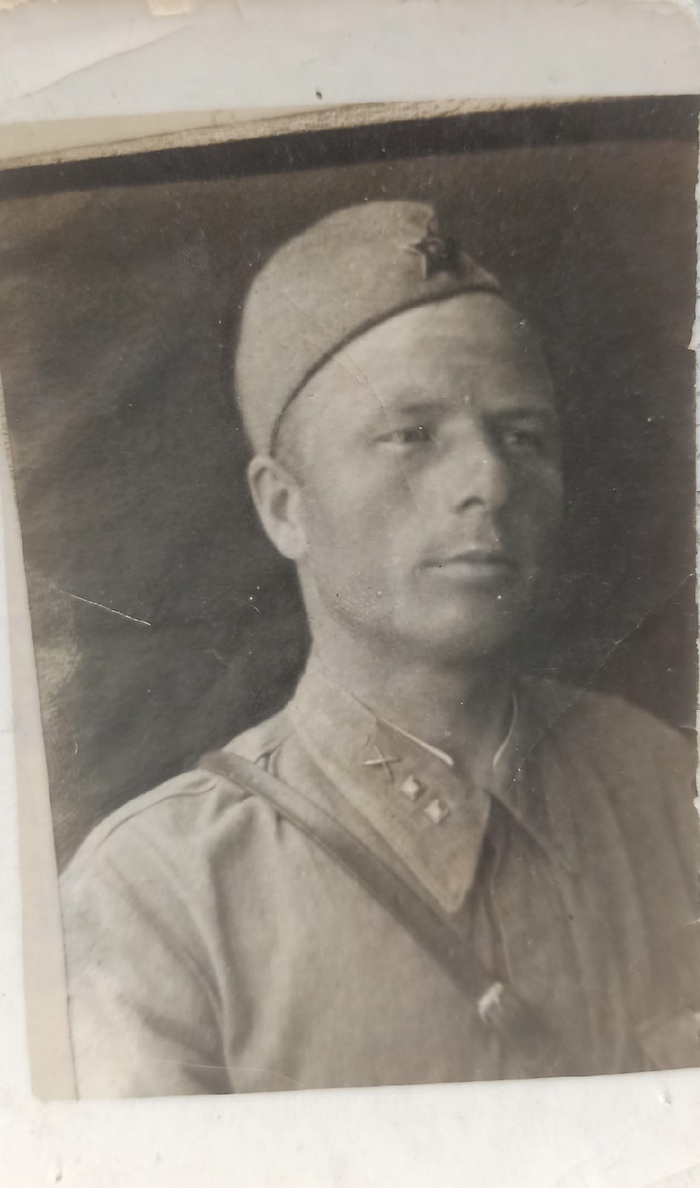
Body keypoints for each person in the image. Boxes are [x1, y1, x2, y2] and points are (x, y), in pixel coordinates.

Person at [60, 201, 700, 1098]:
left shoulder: (666, 787)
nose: (489, 481)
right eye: (412, 436)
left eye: (523, 437)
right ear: (284, 507)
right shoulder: (158, 898)